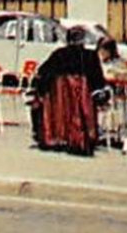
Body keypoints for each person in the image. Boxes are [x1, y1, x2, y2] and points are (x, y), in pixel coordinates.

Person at [30, 24, 109, 155]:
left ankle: (56, 136)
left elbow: (43, 72)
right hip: (83, 97)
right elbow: (98, 79)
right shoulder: (90, 56)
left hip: (60, 98)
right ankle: (83, 137)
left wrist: (40, 89)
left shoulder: (59, 54)